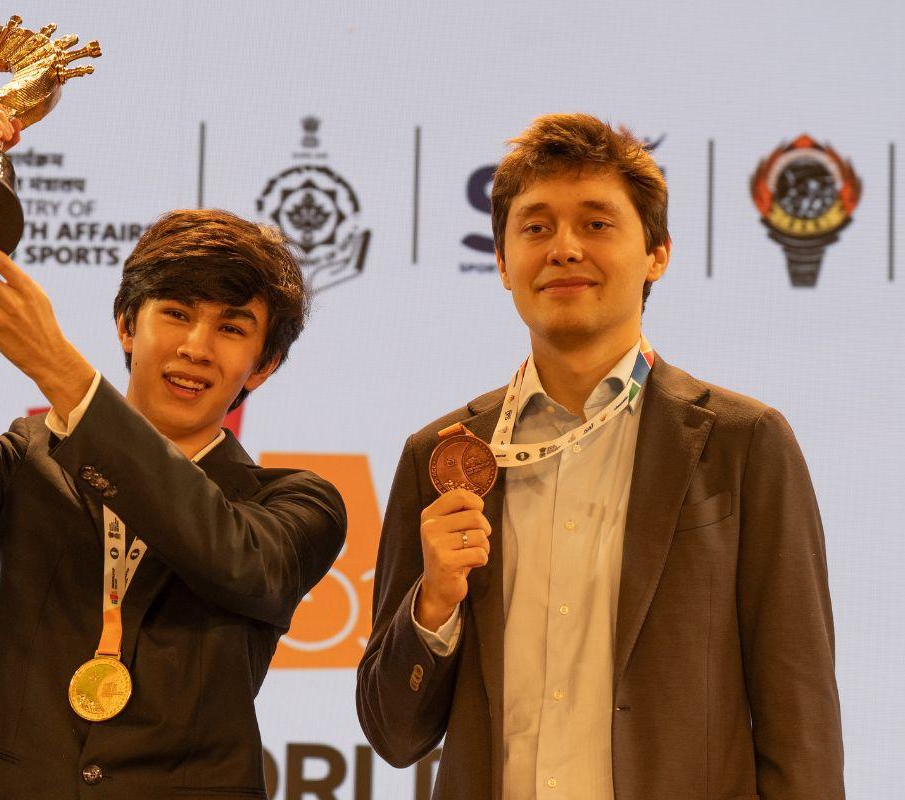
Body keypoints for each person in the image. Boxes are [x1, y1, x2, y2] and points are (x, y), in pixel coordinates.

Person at [0, 94, 347, 799]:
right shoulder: (31, 463)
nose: (196, 348)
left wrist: (64, 373)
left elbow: (231, 561)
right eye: (175, 313)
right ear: (126, 326)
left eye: (233, 329)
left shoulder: (295, 504)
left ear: (261, 367)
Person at [357, 113, 844, 799]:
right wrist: (433, 604)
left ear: (657, 255)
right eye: (535, 227)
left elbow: (801, 717)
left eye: (596, 224)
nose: (562, 249)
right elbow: (394, 733)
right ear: (501, 262)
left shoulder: (743, 442)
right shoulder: (440, 458)